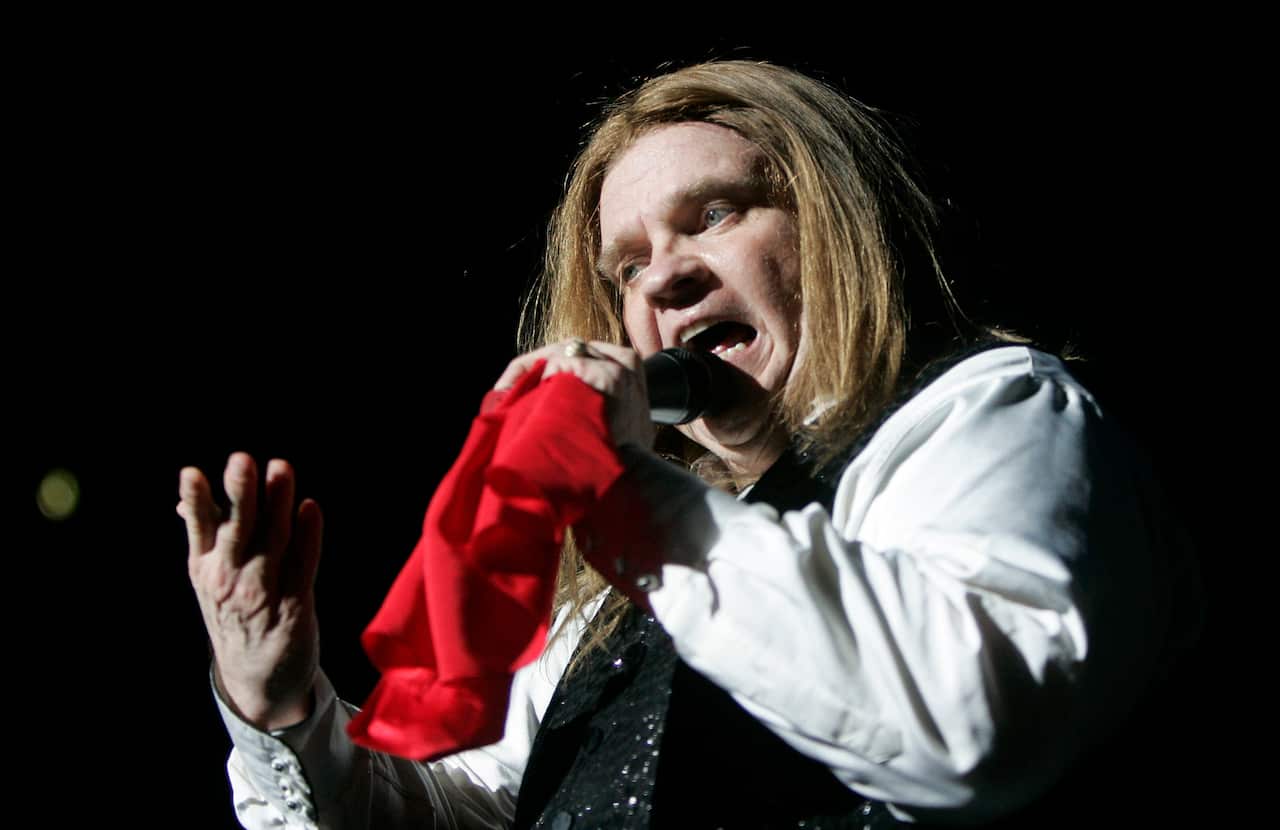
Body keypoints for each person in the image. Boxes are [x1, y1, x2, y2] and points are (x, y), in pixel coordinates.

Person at [180, 60, 1196, 828]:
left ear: (831, 226)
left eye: (710, 215)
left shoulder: (988, 413)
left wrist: (628, 498)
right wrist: (282, 708)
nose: (661, 280)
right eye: (628, 263)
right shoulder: (617, 575)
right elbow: (471, 807)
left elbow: (963, 722)